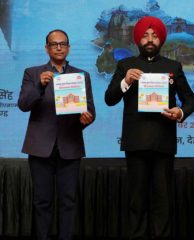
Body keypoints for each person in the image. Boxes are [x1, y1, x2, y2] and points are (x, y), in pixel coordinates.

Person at [104, 16, 194, 240]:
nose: (150, 39)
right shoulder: (125, 66)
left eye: (154, 35)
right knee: (136, 199)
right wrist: (125, 81)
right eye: (145, 35)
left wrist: (180, 112)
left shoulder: (172, 66)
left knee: (163, 199)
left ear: (161, 39)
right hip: (136, 142)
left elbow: (190, 100)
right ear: (138, 40)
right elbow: (109, 99)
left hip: (163, 141)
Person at [18, 29, 95, 240]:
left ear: (68, 48)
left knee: (68, 201)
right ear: (47, 48)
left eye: (63, 44)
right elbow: (23, 105)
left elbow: (90, 112)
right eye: (54, 44)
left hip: (70, 146)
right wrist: (39, 86)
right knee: (42, 201)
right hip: (40, 147)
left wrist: (86, 120)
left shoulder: (81, 76)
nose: (59, 47)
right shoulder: (32, 73)